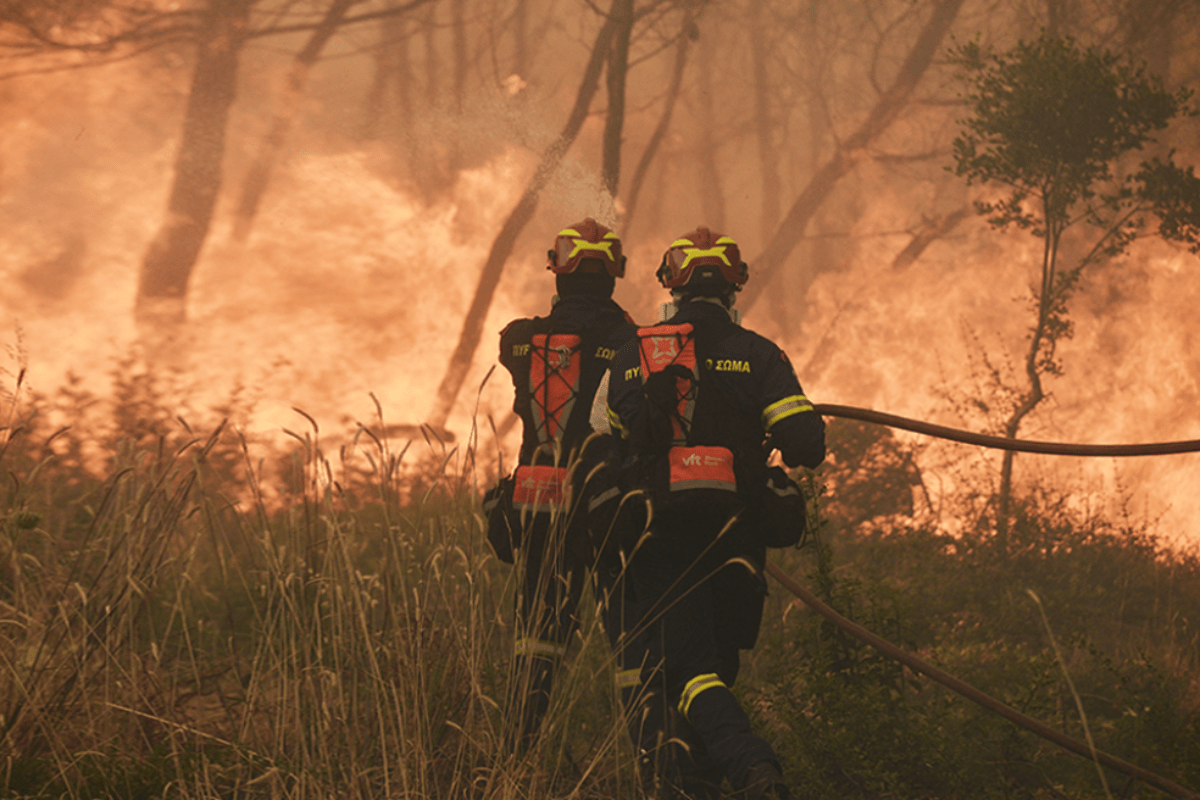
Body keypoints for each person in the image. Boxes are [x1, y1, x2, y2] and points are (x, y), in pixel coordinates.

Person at [605, 226, 826, 800]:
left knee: (688, 669)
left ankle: (752, 769)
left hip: (660, 535)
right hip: (738, 534)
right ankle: (718, 777)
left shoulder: (634, 356)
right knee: (709, 665)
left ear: (671, 288)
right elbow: (805, 441)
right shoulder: (759, 354)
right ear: (734, 288)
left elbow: (615, 440)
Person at [483, 217, 642, 755]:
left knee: (539, 635)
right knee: (630, 633)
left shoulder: (519, 339)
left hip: (538, 501)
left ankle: (519, 753)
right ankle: (652, 754)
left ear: (557, 270)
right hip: (608, 504)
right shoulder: (632, 341)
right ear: (615, 274)